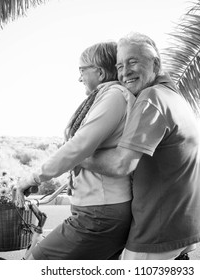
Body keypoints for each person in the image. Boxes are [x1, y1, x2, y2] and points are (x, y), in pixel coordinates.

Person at [80, 32, 200, 260]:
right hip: (182, 227)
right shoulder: (173, 96)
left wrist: (76, 155)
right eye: (119, 65)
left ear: (155, 63)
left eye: (133, 61)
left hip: (156, 231)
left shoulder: (151, 98)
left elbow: (121, 164)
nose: (125, 71)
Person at [15, 41, 135, 259]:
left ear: (99, 72)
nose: (79, 78)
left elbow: (80, 145)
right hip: (98, 209)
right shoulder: (104, 96)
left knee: (36, 261)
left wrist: (32, 178)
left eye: (82, 71)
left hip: (100, 213)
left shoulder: (114, 96)